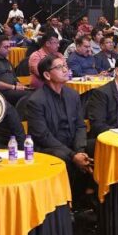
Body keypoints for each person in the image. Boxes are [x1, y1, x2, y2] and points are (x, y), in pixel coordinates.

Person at [25, 55, 93, 189]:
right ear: (47, 75)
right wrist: (73, 155)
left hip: (73, 143)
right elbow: (43, 136)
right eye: (59, 67)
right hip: (50, 147)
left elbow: (80, 125)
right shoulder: (36, 101)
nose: (65, 70)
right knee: (61, 156)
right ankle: (70, 197)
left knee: (98, 145)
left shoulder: (73, 95)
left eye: (65, 66)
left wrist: (79, 150)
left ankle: (95, 193)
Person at [0, 36, 31, 104]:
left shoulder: (7, 61)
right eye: (6, 47)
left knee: (35, 92)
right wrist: (14, 87)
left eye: (9, 47)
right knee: (30, 96)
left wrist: (19, 85)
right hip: (0, 93)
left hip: (12, 90)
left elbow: (14, 78)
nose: (9, 49)